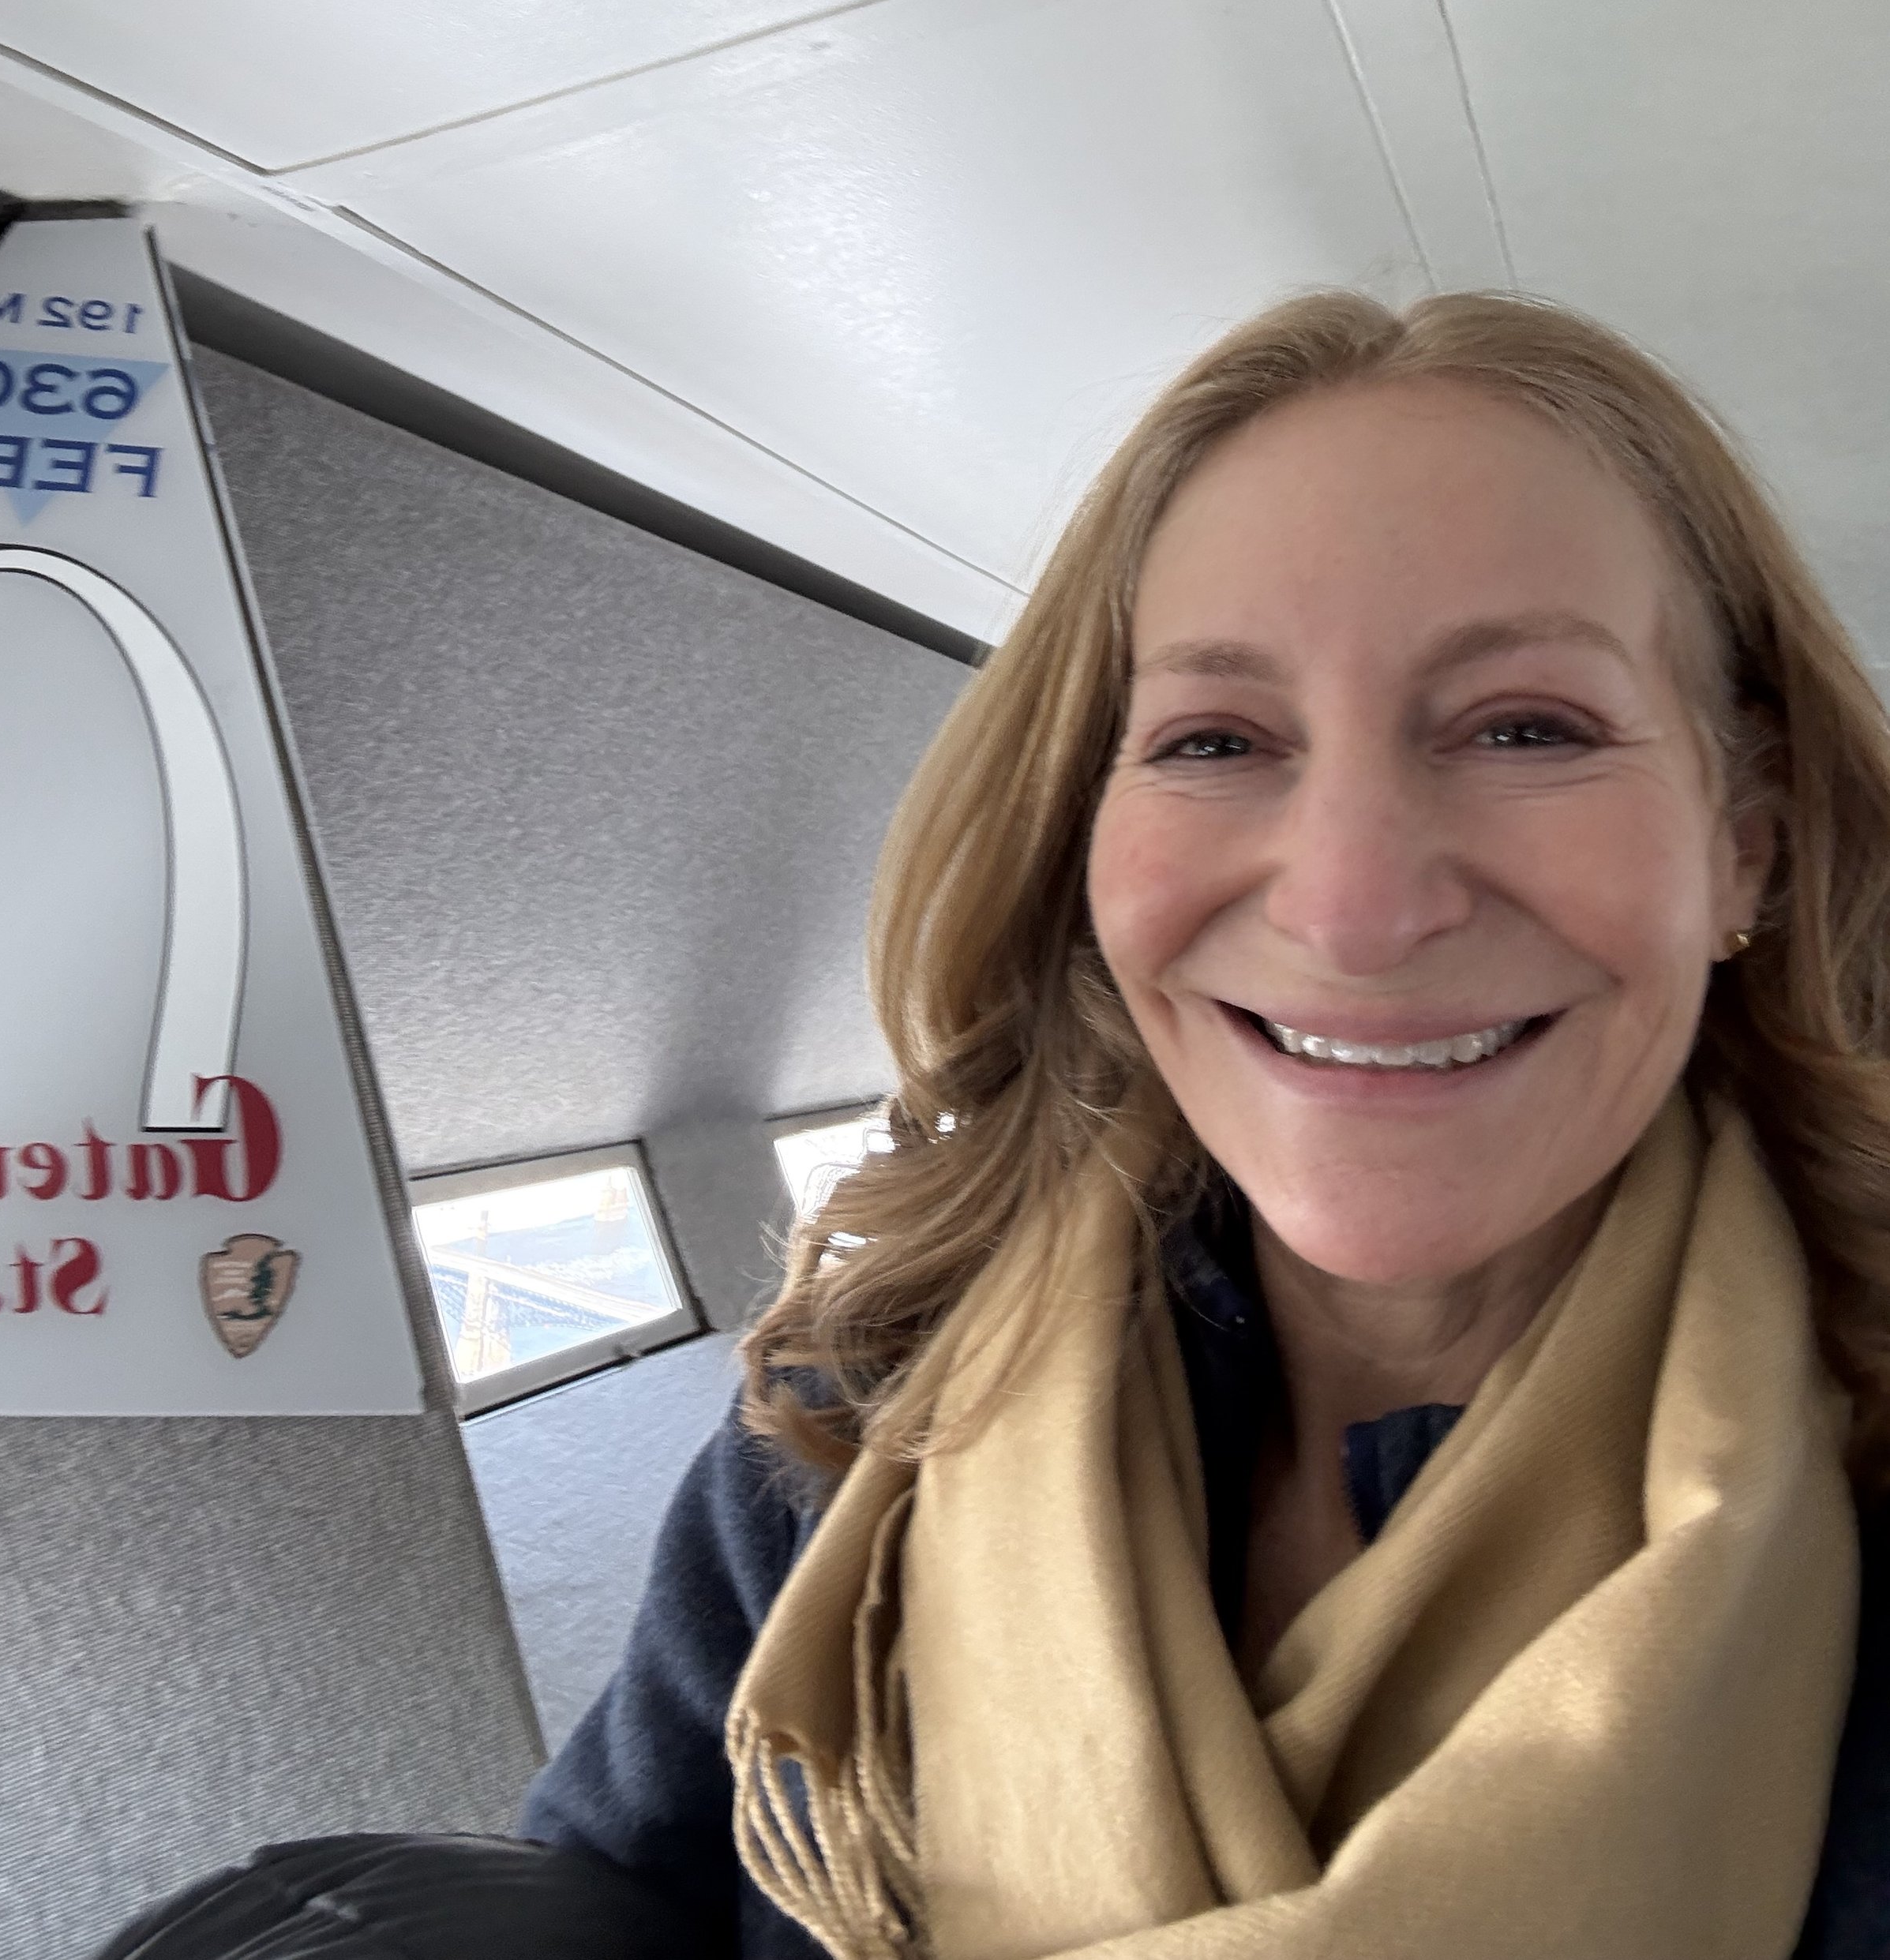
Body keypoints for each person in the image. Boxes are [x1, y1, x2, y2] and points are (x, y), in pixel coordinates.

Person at [521, 288, 1890, 1960]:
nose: (1354, 908)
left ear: (1740, 843)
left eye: (1525, 726)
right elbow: (604, 1895)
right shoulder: (843, 1425)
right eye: (1216, 738)